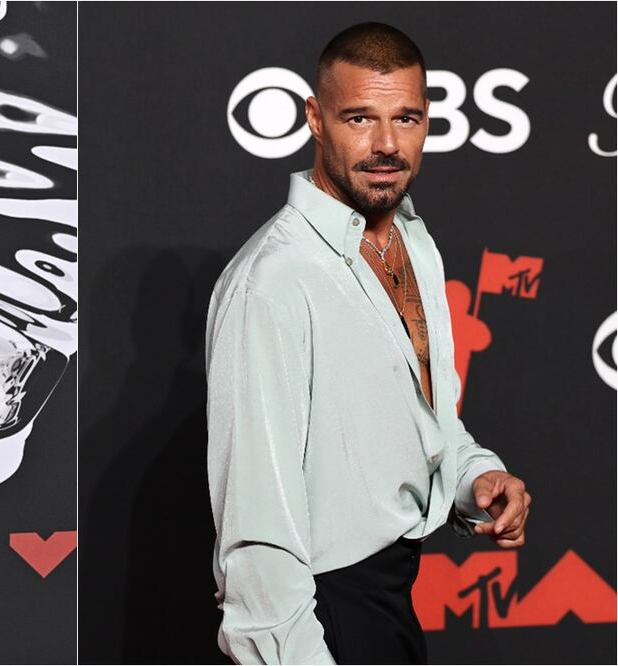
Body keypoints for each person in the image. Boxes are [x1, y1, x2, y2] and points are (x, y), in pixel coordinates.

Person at [205, 22, 531, 665]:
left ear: (428, 121)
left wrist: (476, 479)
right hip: (322, 619)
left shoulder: (414, 245)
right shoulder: (272, 282)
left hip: (391, 602)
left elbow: (429, 426)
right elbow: (257, 540)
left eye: (405, 119)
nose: (386, 144)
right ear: (315, 119)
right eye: (359, 117)